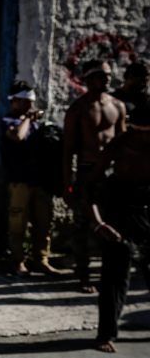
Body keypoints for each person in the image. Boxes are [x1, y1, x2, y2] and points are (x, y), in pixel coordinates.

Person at [86, 104, 150, 353]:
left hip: (146, 211)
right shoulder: (119, 145)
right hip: (119, 212)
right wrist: (100, 224)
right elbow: (89, 187)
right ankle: (106, 334)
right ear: (137, 130)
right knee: (115, 276)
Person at [63, 60, 127, 293]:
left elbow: (123, 143)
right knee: (82, 226)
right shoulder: (78, 109)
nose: (107, 79)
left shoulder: (118, 106)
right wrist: (67, 184)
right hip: (87, 171)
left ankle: (110, 273)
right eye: (101, 75)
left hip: (111, 173)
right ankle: (83, 275)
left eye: (108, 75)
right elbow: (68, 150)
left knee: (112, 223)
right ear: (88, 79)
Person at [0, 81, 60, 276]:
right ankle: (17, 260)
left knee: (43, 221)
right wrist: (26, 118)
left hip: (39, 180)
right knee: (19, 223)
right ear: (15, 100)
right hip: (19, 180)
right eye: (26, 102)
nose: (31, 106)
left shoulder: (34, 124)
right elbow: (17, 136)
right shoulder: (7, 122)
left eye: (32, 103)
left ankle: (41, 259)